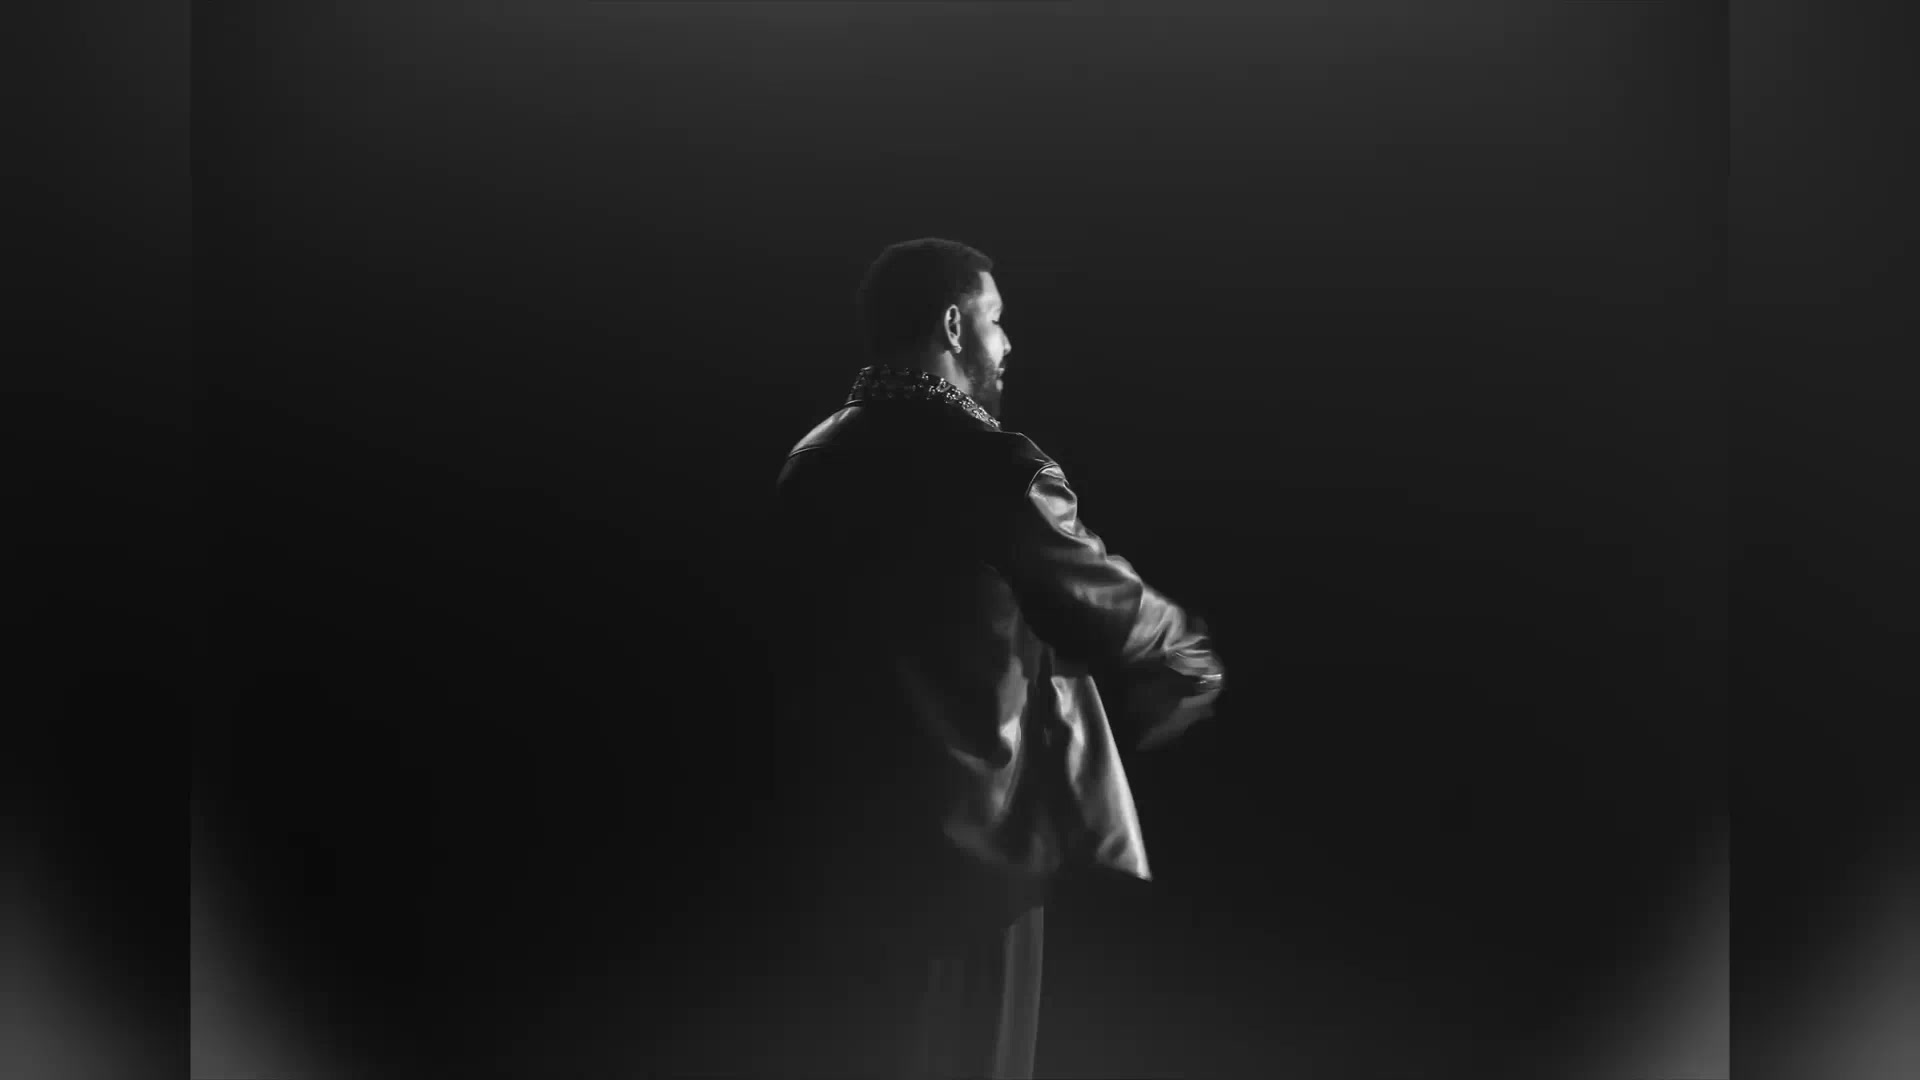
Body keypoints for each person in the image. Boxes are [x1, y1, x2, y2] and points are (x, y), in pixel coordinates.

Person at [759, 237, 1225, 1080]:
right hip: (977, 852)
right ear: (954, 324)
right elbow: (1104, 602)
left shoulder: (809, 463)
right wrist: (1187, 658)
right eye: (997, 319)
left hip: (843, 845)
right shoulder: (990, 465)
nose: (1007, 344)